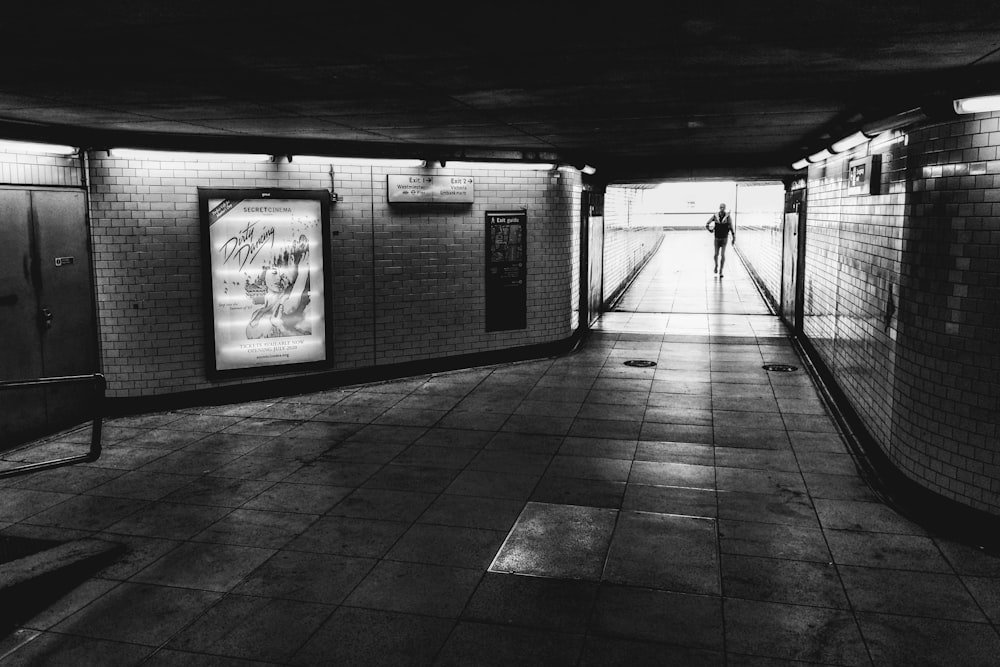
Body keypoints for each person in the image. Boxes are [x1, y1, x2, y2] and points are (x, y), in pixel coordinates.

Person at [706, 202, 735, 277]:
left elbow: (731, 227)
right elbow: (707, 224)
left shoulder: (728, 216)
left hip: (724, 238)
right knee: (716, 254)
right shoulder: (715, 216)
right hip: (717, 238)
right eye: (721, 207)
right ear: (719, 208)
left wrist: (733, 237)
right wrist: (710, 230)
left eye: (723, 207)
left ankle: (721, 270)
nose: (722, 208)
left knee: (722, 254)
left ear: (725, 208)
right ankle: (716, 265)